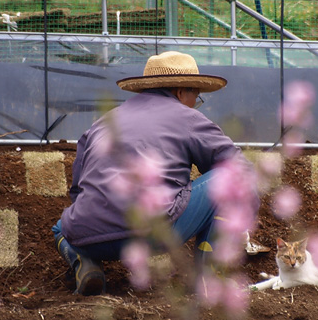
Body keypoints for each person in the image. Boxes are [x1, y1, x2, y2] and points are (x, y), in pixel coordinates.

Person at [52, 50, 261, 295]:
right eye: (197, 96)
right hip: (152, 233)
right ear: (181, 92)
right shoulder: (188, 118)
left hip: (88, 236)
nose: (196, 103)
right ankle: (210, 280)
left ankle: (85, 264)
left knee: (60, 228)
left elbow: (78, 190)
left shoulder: (101, 123)